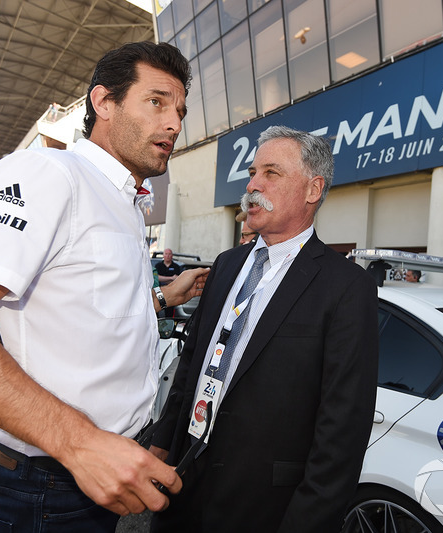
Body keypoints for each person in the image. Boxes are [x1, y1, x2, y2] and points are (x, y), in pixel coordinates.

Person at [0, 41, 210, 530]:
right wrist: (83, 445)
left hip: (99, 471)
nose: (174, 123)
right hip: (47, 484)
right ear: (103, 103)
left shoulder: (124, 201)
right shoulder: (48, 173)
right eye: (156, 102)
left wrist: (161, 297)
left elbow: (83, 311)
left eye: (179, 110)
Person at [149, 125, 379, 533]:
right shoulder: (226, 264)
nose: (253, 184)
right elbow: (193, 364)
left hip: (264, 506)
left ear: (313, 189)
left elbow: (342, 429)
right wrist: (163, 444)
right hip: (183, 485)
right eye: (253, 173)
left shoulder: (346, 286)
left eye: (270, 173)